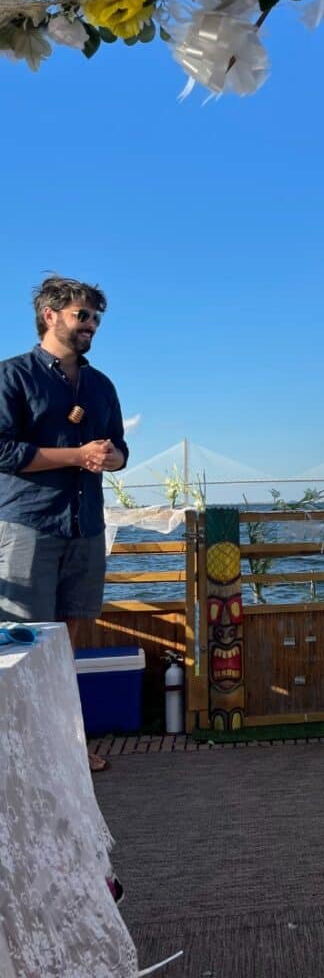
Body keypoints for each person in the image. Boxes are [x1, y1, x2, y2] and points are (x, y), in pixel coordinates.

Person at [0, 276, 128, 773]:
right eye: (82, 315)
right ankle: (18, 756)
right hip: (28, 525)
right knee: (20, 643)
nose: (91, 325)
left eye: (95, 317)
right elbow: (3, 451)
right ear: (50, 315)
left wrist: (111, 456)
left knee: (66, 645)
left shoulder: (101, 386)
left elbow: (118, 449)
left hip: (85, 527)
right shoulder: (13, 377)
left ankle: (65, 750)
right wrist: (77, 453)